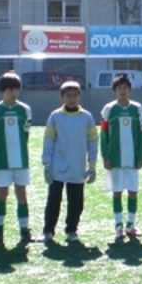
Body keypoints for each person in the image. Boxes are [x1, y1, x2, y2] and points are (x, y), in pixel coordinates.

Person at [42, 81, 98, 242]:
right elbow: (49, 140)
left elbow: (93, 142)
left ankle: (71, 230)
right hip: (57, 167)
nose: (72, 99)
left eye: (75, 95)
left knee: (76, 203)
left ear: (79, 96)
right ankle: (48, 231)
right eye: (68, 95)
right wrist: (46, 164)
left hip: (77, 167)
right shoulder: (55, 116)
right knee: (53, 201)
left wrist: (92, 165)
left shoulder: (86, 117)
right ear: (62, 97)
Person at [0, 71, 34, 245]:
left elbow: (26, 135)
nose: (13, 93)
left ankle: (24, 230)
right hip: (1, 161)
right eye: (9, 90)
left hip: (21, 161)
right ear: (2, 91)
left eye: (16, 90)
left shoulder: (24, 109)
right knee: (1, 194)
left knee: (22, 194)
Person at [99, 74, 142, 240]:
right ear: (115, 91)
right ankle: (118, 226)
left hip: (132, 159)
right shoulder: (109, 109)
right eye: (119, 88)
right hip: (115, 159)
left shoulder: (137, 108)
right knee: (117, 193)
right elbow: (103, 134)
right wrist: (105, 156)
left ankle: (130, 225)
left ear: (130, 90)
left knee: (133, 192)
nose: (123, 91)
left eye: (125, 88)